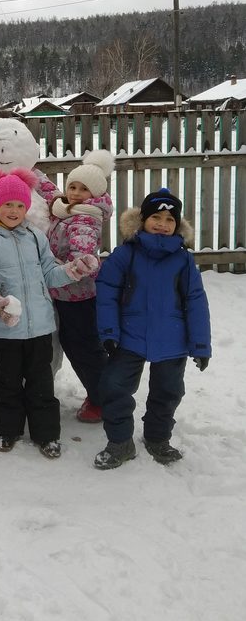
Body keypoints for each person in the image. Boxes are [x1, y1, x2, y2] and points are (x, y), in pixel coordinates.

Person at [0, 168, 98, 458]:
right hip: (6, 328)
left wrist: (72, 270)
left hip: (39, 327)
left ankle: (46, 434)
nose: (14, 210)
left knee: (41, 382)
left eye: (20, 205)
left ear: (26, 207)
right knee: (8, 381)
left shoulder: (36, 237)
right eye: (7, 205)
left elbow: (49, 274)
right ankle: (7, 430)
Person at [93, 187, 211, 469]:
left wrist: (201, 345)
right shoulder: (126, 253)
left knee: (168, 392)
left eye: (170, 220)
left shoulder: (182, 259)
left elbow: (196, 301)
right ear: (143, 220)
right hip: (130, 335)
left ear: (177, 225)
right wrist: (109, 332)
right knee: (114, 387)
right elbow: (107, 291)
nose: (162, 224)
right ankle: (120, 442)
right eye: (156, 217)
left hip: (173, 340)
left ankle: (158, 438)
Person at [47, 150, 114, 423]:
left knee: (83, 348)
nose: (75, 193)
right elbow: (49, 193)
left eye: (83, 189)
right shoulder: (68, 209)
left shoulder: (84, 219)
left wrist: (54, 265)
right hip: (65, 294)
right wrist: (32, 175)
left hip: (78, 297)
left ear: (94, 194)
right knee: (78, 345)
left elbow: (82, 260)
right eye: (72, 186)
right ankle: (103, 393)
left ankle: (103, 400)